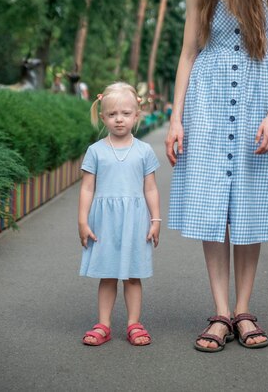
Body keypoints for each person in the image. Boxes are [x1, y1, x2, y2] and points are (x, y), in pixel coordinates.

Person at [165, 0, 268, 353]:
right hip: (208, 101)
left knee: (250, 205)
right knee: (212, 206)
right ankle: (220, 312)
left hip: (259, 99)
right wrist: (176, 118)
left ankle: (244, 310)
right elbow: (188, 54)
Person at [79, 82, 161, 347]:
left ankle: (134, 323)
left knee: (133, 275)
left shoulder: (144, 151)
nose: (119, 119)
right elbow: (87, 188)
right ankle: (103, 324)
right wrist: (82, 221)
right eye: (112, 114)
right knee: (108, 274)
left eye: (126, 113)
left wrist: (156, 220)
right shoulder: (96, 151)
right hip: (104, 223)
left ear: (137, 115)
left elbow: (150, 188)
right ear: (103, 117)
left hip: (135, 221)